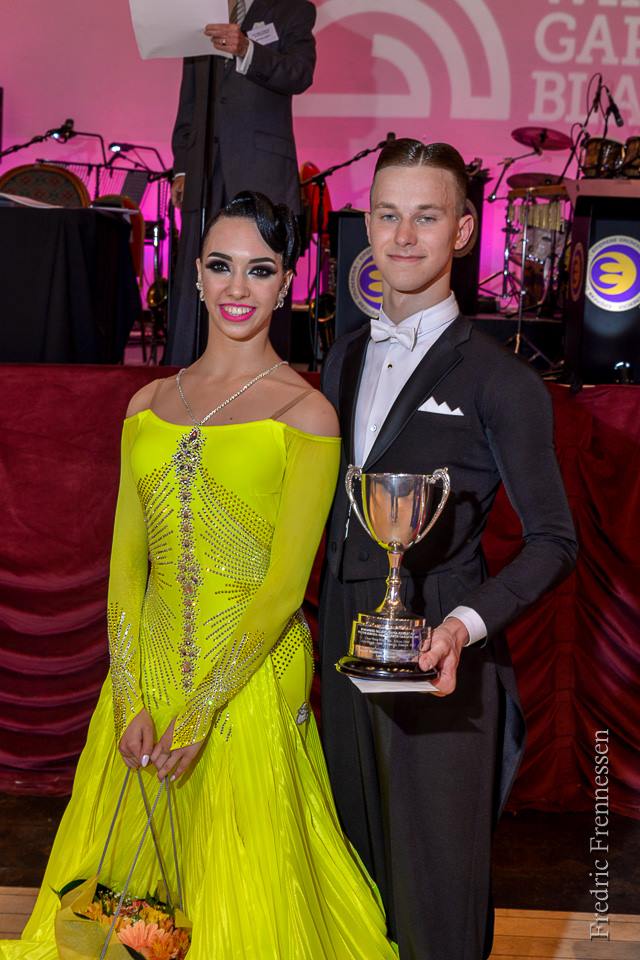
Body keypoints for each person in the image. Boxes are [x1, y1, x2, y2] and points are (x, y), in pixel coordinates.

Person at [2, 193, 396, 960]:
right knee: (129, 890)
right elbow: (126, 563)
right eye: (221, 265)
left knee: (236, 884)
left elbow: (284, 588)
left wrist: (206, 706)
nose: (237, 287)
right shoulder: (147, 404)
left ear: (287, 283)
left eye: (260, 270)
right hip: (146, 671)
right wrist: (129, 694)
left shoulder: (306, 415)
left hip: (250, 675)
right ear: (195, 276)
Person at [319, 139, 578, 960]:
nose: (402, 237)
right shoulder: (343, 356)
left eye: (425, 218)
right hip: (343, 643)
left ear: (463, 231)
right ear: (368, 224)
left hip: (442, 658)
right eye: (388, 215)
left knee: (437, 906)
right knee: (353, 890)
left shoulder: (503, 381)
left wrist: (464, 626)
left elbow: (554, 540)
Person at [167, 0, 316, 366]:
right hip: (203, 165)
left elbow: (299, 73)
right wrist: (182, 167)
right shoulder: (203, 11)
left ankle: (262, 374)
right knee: (194, 273)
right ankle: (186, 369)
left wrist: (248, 49)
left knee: (262, 266)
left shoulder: (292, 9)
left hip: (261, 167)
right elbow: (190, 98)